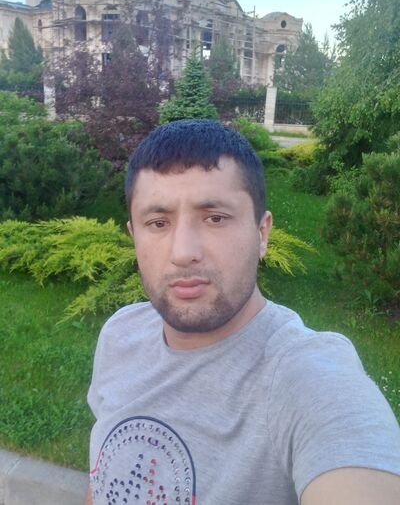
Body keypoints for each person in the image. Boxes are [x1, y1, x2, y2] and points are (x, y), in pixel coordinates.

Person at [86, 119, 400, 505]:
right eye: (158, 223)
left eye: (215, 218)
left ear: (262, 233)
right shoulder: (120, 334)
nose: (183, 252)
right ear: (134, 236)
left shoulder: (305, 379)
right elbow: (104, 478)